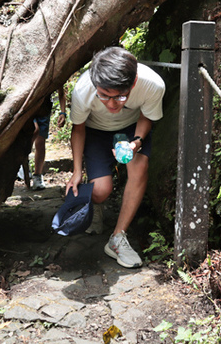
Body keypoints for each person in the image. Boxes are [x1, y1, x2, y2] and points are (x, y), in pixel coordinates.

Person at [65, 47, 165, 268]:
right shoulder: (83, 90)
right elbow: (78, 129)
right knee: (101, 191)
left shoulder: (152, 84)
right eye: (104, 96)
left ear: (134, 81)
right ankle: (97, 206)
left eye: (120, 96)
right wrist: (76, 171)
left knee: (139, 167)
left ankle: (118, 238)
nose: (111, 105)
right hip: (96, 132)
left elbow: (147, 116)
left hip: (132, 128)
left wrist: (136, 142)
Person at [30, 87, 67, 190]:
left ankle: (37, 175)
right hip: (28, 105)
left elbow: (61, 91)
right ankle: (22, 162)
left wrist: (63, 113)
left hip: (44, 108)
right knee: (34, 131)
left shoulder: (54, 73)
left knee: (40, 140)